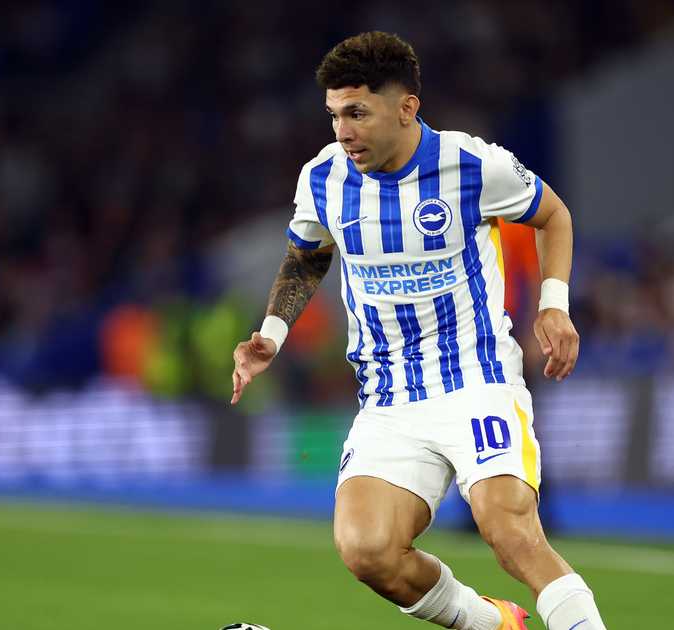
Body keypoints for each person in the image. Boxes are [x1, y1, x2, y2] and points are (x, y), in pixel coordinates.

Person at [231, 32, 608, 630]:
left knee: (509, 532)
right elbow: (307, 255)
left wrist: (554, 304)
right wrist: (271, 333)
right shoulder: (323, 178)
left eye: (357, 113)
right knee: (368, 551)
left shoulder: (472, 164)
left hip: (475, 379)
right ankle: (492, 625)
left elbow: (552, 213)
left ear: (407, 107)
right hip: (389, 400)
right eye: (334, 115)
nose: (343, 131)